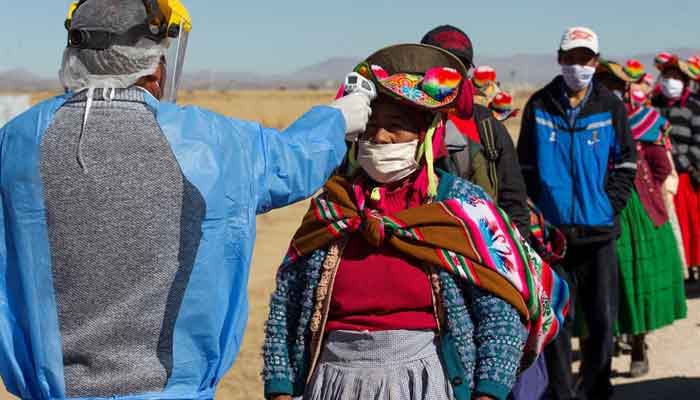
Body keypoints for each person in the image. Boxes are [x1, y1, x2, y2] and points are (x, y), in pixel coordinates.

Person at [0, 1, 373, 399]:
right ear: (156, 67)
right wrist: (338, 118)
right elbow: (294, 159)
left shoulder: (19, 141)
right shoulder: (212, 143)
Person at [262, 43, 569, 400]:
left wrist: (489, 391)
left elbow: (498, 311)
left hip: (425, 382)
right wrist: (280, 387)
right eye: (371, 126)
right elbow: (287, 302)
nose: (380, 137)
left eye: (396, 127)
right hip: (331, 383)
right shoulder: (335, 206)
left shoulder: (461, 208)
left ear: (427, 135)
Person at [517, 27, 636, 400]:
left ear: (595, 62)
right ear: (559, 59)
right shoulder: (539, 105)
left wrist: (608, 204)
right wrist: (537, 215)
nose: (577, 66)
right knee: (556, 321)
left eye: (585, 59)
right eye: (571, 58)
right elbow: (525, 170)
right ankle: (562, 392)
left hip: (598, 232)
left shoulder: (610, 106)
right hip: (553, 238)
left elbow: (626, 164)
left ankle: (598, 386)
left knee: (601, 320)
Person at [595, 59, 687, 377]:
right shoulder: (587, 123)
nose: (607, 91)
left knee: (634, 279)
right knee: (607, 282)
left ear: (623, 89)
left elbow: (661, 166)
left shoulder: (645, 121)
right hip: (597, 208)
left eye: (613, 85)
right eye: (602, 84)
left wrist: (645, 191)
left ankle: (637, 346)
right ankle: (604, 353)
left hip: (636, 209)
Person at [421, 26, 531, 237]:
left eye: (457, 65)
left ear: (466, 71)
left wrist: (516, 249)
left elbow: (513, 199)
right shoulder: (404, 120)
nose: (448, 73)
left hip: (481, 246)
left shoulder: (487, 124)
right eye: (440, 64)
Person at [652, 55, 700, 281]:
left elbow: (698, 142)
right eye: (667, 75)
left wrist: (684, 164)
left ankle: (693, 267)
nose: (671, 80)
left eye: (675, 76)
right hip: (659, 175)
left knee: (690, 223)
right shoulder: (655, 105)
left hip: (685, 175)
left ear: (684, 80)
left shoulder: (694, 106)